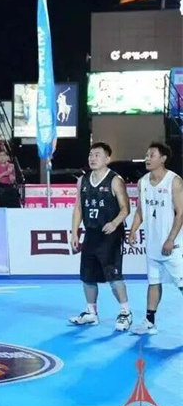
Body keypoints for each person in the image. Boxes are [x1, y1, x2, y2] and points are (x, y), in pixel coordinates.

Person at [69, 142, 132, 331]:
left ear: (107, 159)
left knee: (114, 275)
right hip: (91, 233)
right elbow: (78, 208)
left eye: (97, 155)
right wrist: (74, 231)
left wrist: (114, 223)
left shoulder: (115, 180)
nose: (92, 158)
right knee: (87, 276)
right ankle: (91, 313)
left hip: (110, 235)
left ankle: (125, 312)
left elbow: (125, 208)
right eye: (91, 155)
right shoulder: (83, 180)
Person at [128, 142, 183, 335]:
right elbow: (140, 209)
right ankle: (149, 322)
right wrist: (133, 229)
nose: (147, 158)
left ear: (163, 159)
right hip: (152, 245)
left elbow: (181, 213)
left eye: (151, 155)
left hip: (173, 246)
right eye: (146, 155)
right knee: (153, 283)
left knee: (182, 284)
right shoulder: (142, 182)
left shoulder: (174, 181)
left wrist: (171, 239)